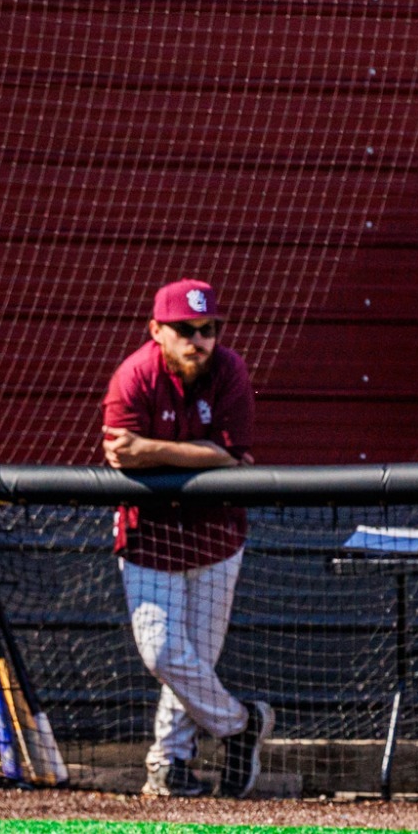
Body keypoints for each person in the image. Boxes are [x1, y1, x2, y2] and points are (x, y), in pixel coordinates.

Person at [102, 279, 271, 799]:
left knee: (196, 657)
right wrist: (202, 453)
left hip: (216, 535)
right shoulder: (134, 376)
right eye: (185, 330)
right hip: (150, 533)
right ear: (157, 330)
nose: (197, 341)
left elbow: (233, 451)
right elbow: (117, 453)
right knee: (161, 651)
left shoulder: (231, 370)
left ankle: (169, 764)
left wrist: (154, 450)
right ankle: (240, 725)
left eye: (208, 330)